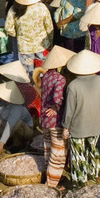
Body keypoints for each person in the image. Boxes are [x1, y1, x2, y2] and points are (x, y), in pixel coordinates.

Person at [60, 49, 100, 188]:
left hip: (78, 127)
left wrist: (65, 126)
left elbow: (69, 111)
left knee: (78, 157)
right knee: (93, 152)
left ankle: (81, 184)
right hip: (95, 125)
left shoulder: (73, 86)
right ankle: (98, 179)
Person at [34, 44, 72, 187]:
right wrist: (56, 107)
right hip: (55, 121)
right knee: (58, 154)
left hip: (44, 119)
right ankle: (51, 184)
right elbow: (57, 98)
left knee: (48, 149)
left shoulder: (45, 76)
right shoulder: (60, 79)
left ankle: (49, 176)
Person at [4, 0, 54, 75]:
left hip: (24, 48)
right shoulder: (42, 7)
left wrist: (19, 34)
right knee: (42, 71)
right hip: (42, 45)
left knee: (27, 73)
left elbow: (8, 29)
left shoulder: (14, 9)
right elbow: (49, 28)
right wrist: (50, 42)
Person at [0, 80, 36, 153]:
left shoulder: (17, 107)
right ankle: (5, 142)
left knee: (18, 123)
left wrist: (1, 142)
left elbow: (10, 125)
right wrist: (2, 124)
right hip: (7, 124)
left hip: (24, 130)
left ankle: (18, 145)